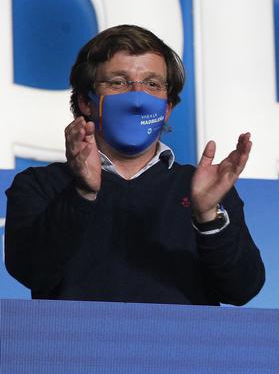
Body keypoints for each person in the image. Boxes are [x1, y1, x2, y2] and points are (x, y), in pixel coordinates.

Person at [4, 24, 265, 305]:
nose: (138, 98)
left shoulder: (204, 189)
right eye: (118, 82)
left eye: (152, 84)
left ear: (167, 109)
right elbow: (30, 271)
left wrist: (208, 218)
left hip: (183, 349)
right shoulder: (40, 184)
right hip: (77, 346)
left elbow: (242, 290)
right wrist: (81, 194)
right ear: (85, 101)